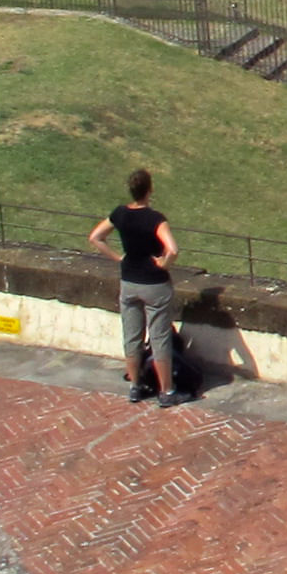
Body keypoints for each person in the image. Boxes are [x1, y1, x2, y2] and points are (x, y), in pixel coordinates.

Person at [89, 167, 187, 408]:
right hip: (154, 284)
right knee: (159, 336)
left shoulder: (120, 214)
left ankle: (135, 386)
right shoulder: (155, 219)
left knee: (131, 336)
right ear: (149, 190)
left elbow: (96, 237)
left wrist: (118, 258)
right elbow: (173, 249)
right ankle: (167, 391)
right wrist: (163, 263)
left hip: (129, 281)